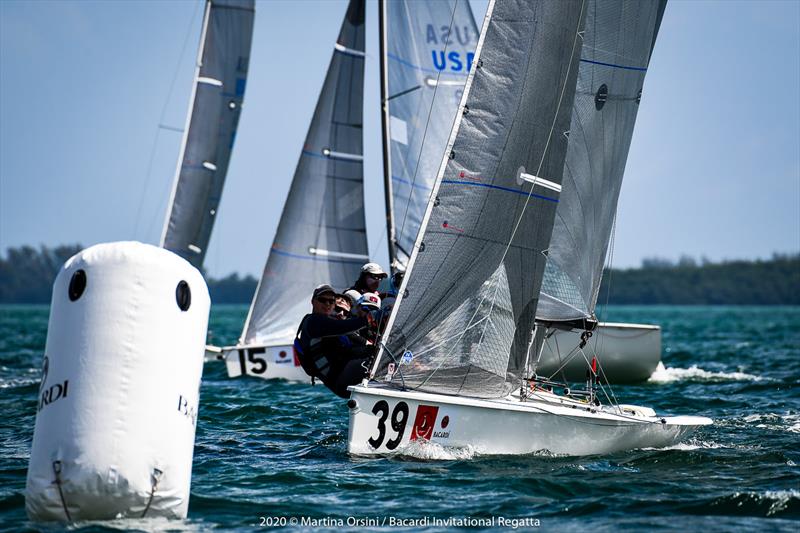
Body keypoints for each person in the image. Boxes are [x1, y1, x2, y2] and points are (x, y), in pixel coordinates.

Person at [294, 284, 375, 398]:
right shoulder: (314, 322)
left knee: (377, 353)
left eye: (331, 301)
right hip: (341, 379)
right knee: (378, 356)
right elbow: (341, 327)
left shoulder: (333, 330)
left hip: (343, 381)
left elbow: (357, 341)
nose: (327, 304)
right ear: (313, 301)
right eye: (323, 300)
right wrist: (368, 320)